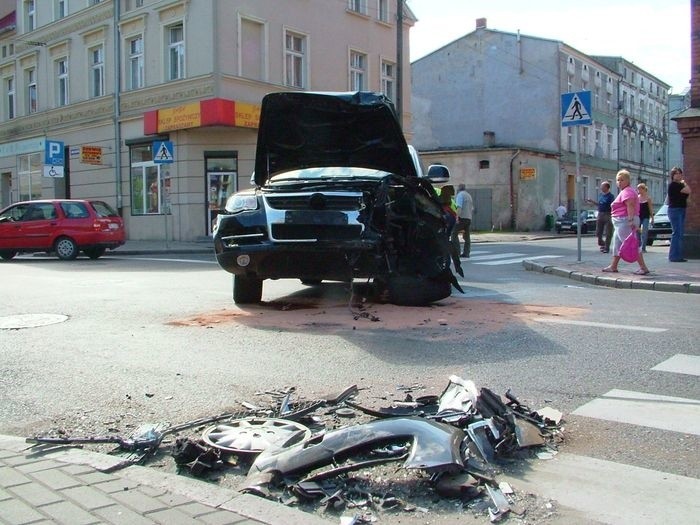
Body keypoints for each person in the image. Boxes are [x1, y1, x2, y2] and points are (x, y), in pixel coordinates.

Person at [602, 169, 650, 275]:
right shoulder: (625, 191)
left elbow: (630, 205)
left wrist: (630, 220)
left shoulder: (627, 191)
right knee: (617, 245)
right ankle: (613, 266)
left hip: (625, 221)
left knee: (630, 245)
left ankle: (643, 267)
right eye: (618, 180)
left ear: (628, 181)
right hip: (620, 222)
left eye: (622, 180)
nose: (619, 182)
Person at [666, 166, 692, 262]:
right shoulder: (673, 185)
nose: (679, 175)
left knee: (679, 233)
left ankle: (678, 255)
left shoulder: (680, 185)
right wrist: (684, 182)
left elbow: (688, 192)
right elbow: (688, 190)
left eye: (680, 173)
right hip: (675, 210)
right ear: (672, 175)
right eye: (677, 173)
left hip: (681, 209)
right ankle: (674, 256)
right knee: (677, 233)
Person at [437, 184, 463, 276]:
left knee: (444, 246)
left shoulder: (445, 212)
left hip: (441, 235)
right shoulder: (449, 210)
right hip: (444, 234)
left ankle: (444, 268)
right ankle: (446, 266)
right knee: (446, 245)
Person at [586, 181, 614, 253]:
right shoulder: (601, 195)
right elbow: (599, 204)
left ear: (607, 187)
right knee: (598, 232)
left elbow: (613, 206)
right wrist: (592, 201)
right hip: (600, 214)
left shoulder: (611, 196)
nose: (601, 188)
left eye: (602, 186)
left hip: (608, 214)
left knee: (608, 232)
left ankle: (606, 248)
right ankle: (603, 243)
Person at [453, 184, 474, 258]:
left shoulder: (460, 195)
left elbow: (459, 207)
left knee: (454, 234)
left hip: (462, 217)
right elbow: (472, 208)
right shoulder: (469, 196)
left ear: (459, 189)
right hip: (469, 218)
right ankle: (466, 253)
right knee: (467, 236)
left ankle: (457, 252)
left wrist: (457, 217)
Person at [636, 183, 654, 252]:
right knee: (637, 231)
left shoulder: (648, 198)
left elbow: (650, 208)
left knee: (644, 231)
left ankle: (643, 247)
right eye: (638, 189)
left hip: (646, 216)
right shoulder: (637, 198)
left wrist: (652, 218)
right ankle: (638, 246)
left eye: (639, 189)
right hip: (638, 216)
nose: (638, 190)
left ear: (643, 189)